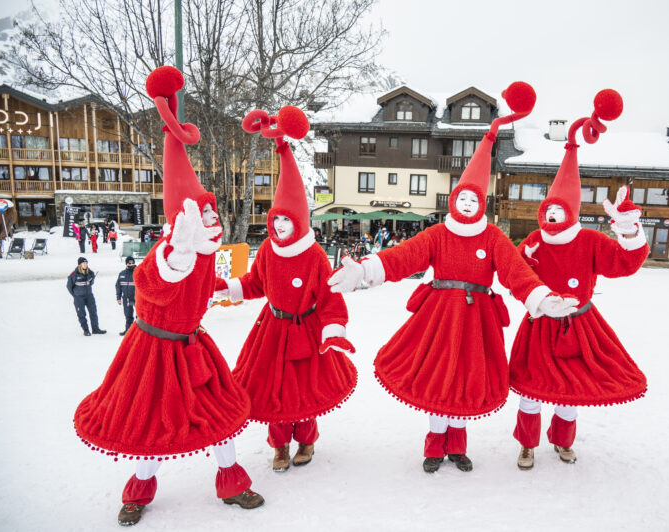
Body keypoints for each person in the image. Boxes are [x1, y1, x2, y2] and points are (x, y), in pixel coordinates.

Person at [328, 82, 578, 474]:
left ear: (481, 205)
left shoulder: (493, 237)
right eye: (461, 197)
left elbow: (517, 273)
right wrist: (364, 270)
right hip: (439, 318)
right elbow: (404, 256)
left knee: (464, 380)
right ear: (454, 199)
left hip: (477, 320)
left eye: (473, 200)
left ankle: (457, 447)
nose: (466, 203)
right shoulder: (438, 234)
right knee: (436, 381)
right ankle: (434, 447)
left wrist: (542, 298)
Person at [73, 67, 263, 527]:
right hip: (153, 351)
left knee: (216, 417)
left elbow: (208, 287)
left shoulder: (205, 253)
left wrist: (231, 287)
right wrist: (173, 257)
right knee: (150, 423)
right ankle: (138, 492)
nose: (212, 223)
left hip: (193, 345)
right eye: (204, 217)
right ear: (182, 224)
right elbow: (148, 284)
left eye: (213, 215)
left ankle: (233, 483)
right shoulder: (166, 253)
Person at [509, 90, 648, 470]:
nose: (552, 216)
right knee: (532, 390)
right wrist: (535, 298)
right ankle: (527, 444)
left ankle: (563, 441)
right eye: (548, 210)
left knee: (570, 391)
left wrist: (627, 229)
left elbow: (625, 263)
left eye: (559, 210)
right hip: (540, 323)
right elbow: (516, 274)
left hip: (580, 324)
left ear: (570, 211)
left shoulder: (589, 240)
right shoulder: (534, 241)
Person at [217, 106, 357, 473]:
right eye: (275, 219)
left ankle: (306, 440)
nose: (279, 226)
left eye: (285, 220)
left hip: (307, 332)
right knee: (272, 390)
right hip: (272, 330)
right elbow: (255, 283)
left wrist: (334, 329)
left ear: (298, 221)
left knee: (304, 390)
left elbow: (330, 297)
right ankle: (279, 445)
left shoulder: (313, 256)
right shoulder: (267, 250)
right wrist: (229, 287)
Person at [66, 257, 106, 336]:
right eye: (83, 263)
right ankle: (86, 330)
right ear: (80, 264)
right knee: (81, 314)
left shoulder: (90, 272)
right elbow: (69, 286)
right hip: (79, 297)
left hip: (89, 296)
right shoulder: (74, 274)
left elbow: (90, 283)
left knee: (93, 312)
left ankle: (95, 329)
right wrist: (75, 295)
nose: (85, 264)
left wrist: (92, 280)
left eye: (86, 263)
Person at [115, 257, 136, 336]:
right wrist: (118, 297)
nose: (131, 264)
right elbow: (118, 286)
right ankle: (128, 330)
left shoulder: (138, 272)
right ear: (126, 264)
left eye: (132, 263)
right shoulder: (122, 273)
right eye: (129, 263)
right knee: (128, 315)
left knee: (140, 317)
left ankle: (139, 332)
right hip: (126, 298)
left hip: (137, 298)